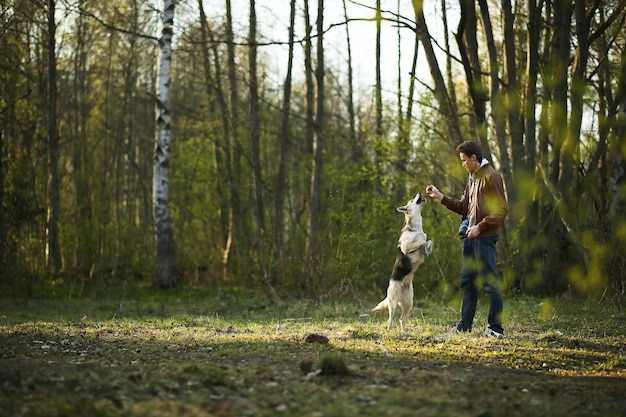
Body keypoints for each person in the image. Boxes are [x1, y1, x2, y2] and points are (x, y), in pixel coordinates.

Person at [425, 141, 508, 338]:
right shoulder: (472, 178)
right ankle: (464, 326)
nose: (462, 164)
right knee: (468, 283)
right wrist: (439, 197)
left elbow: (502, 210)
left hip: (485, 238)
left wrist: (480, 226)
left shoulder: (491, 177)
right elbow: (464, 208)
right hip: (470, 238)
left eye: (464, 160)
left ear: (473, 158)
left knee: (490, 283)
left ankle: (496, 329)